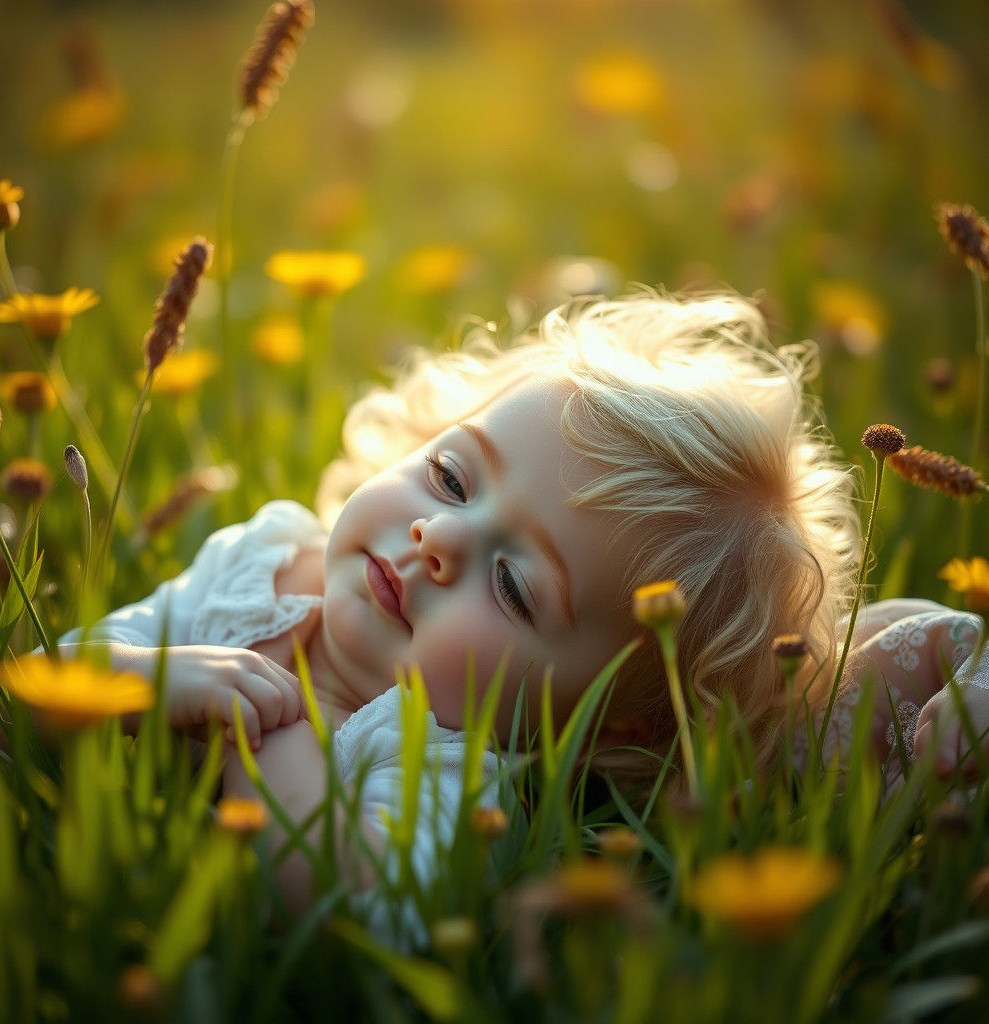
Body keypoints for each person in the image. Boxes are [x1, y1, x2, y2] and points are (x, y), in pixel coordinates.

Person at [58, 288, 988, 929]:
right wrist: (135, 676)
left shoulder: (439, 756)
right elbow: (39, 695)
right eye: (453, 476)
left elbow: (340, 898)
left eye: (512, 585)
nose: (438, 540)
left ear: (596, 722)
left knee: (868, 678)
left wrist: (267, 728)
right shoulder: (264, 563)